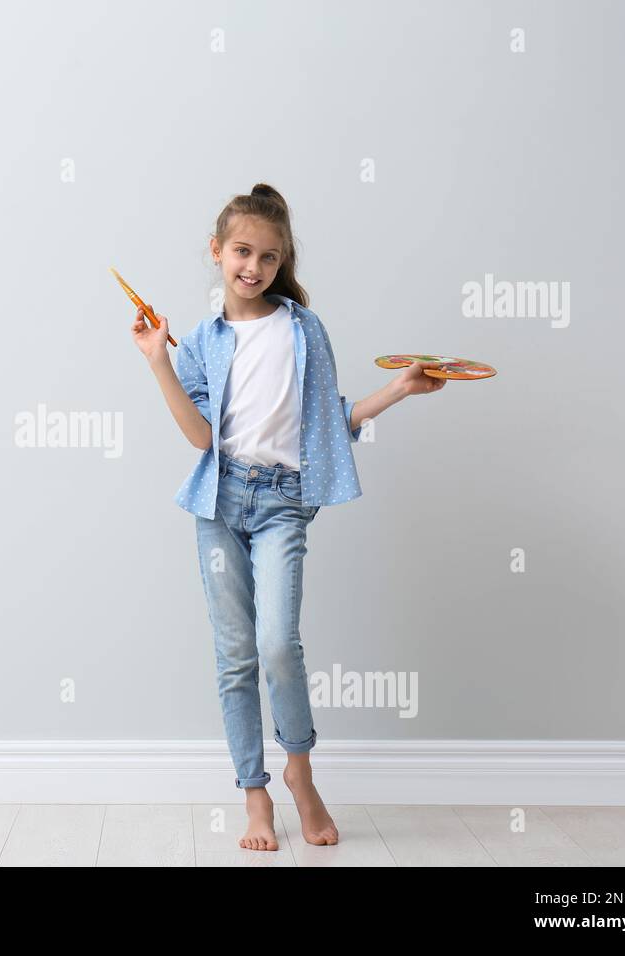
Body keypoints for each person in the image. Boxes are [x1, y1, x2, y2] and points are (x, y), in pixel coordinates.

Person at [132, 183, 446, 850]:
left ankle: (300, 773)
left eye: (269, 257)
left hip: (281, 504)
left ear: (282, 263)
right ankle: (254, 797)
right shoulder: (203, 342)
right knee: (235, 655)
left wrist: (397, 389)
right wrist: (160, 360)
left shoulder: (303, 329)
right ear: (217, 253)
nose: (254, 267)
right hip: (219, 504)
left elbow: (331, 422)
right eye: (242, 251)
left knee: (278, 642)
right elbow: (198, 438)